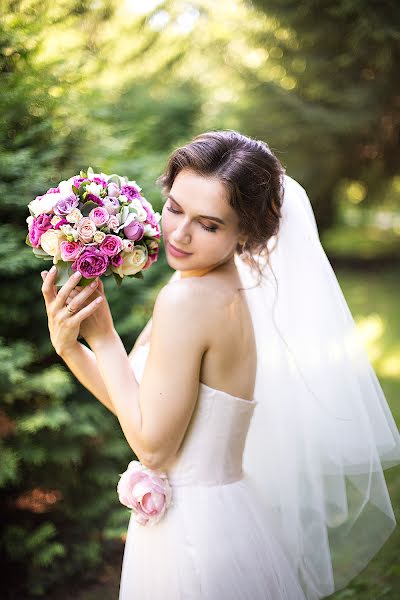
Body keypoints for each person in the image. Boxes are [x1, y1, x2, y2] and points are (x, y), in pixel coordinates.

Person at [41, 131, 400, 599]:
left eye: (208, 225)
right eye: (174, 208)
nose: (179, 234)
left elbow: (153, 447)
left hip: (193, 538)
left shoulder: (188, 298)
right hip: (226, 515)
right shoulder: (231, 284)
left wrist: (104, 336)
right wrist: (71, 349)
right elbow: (141, 403)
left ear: (246, 232)